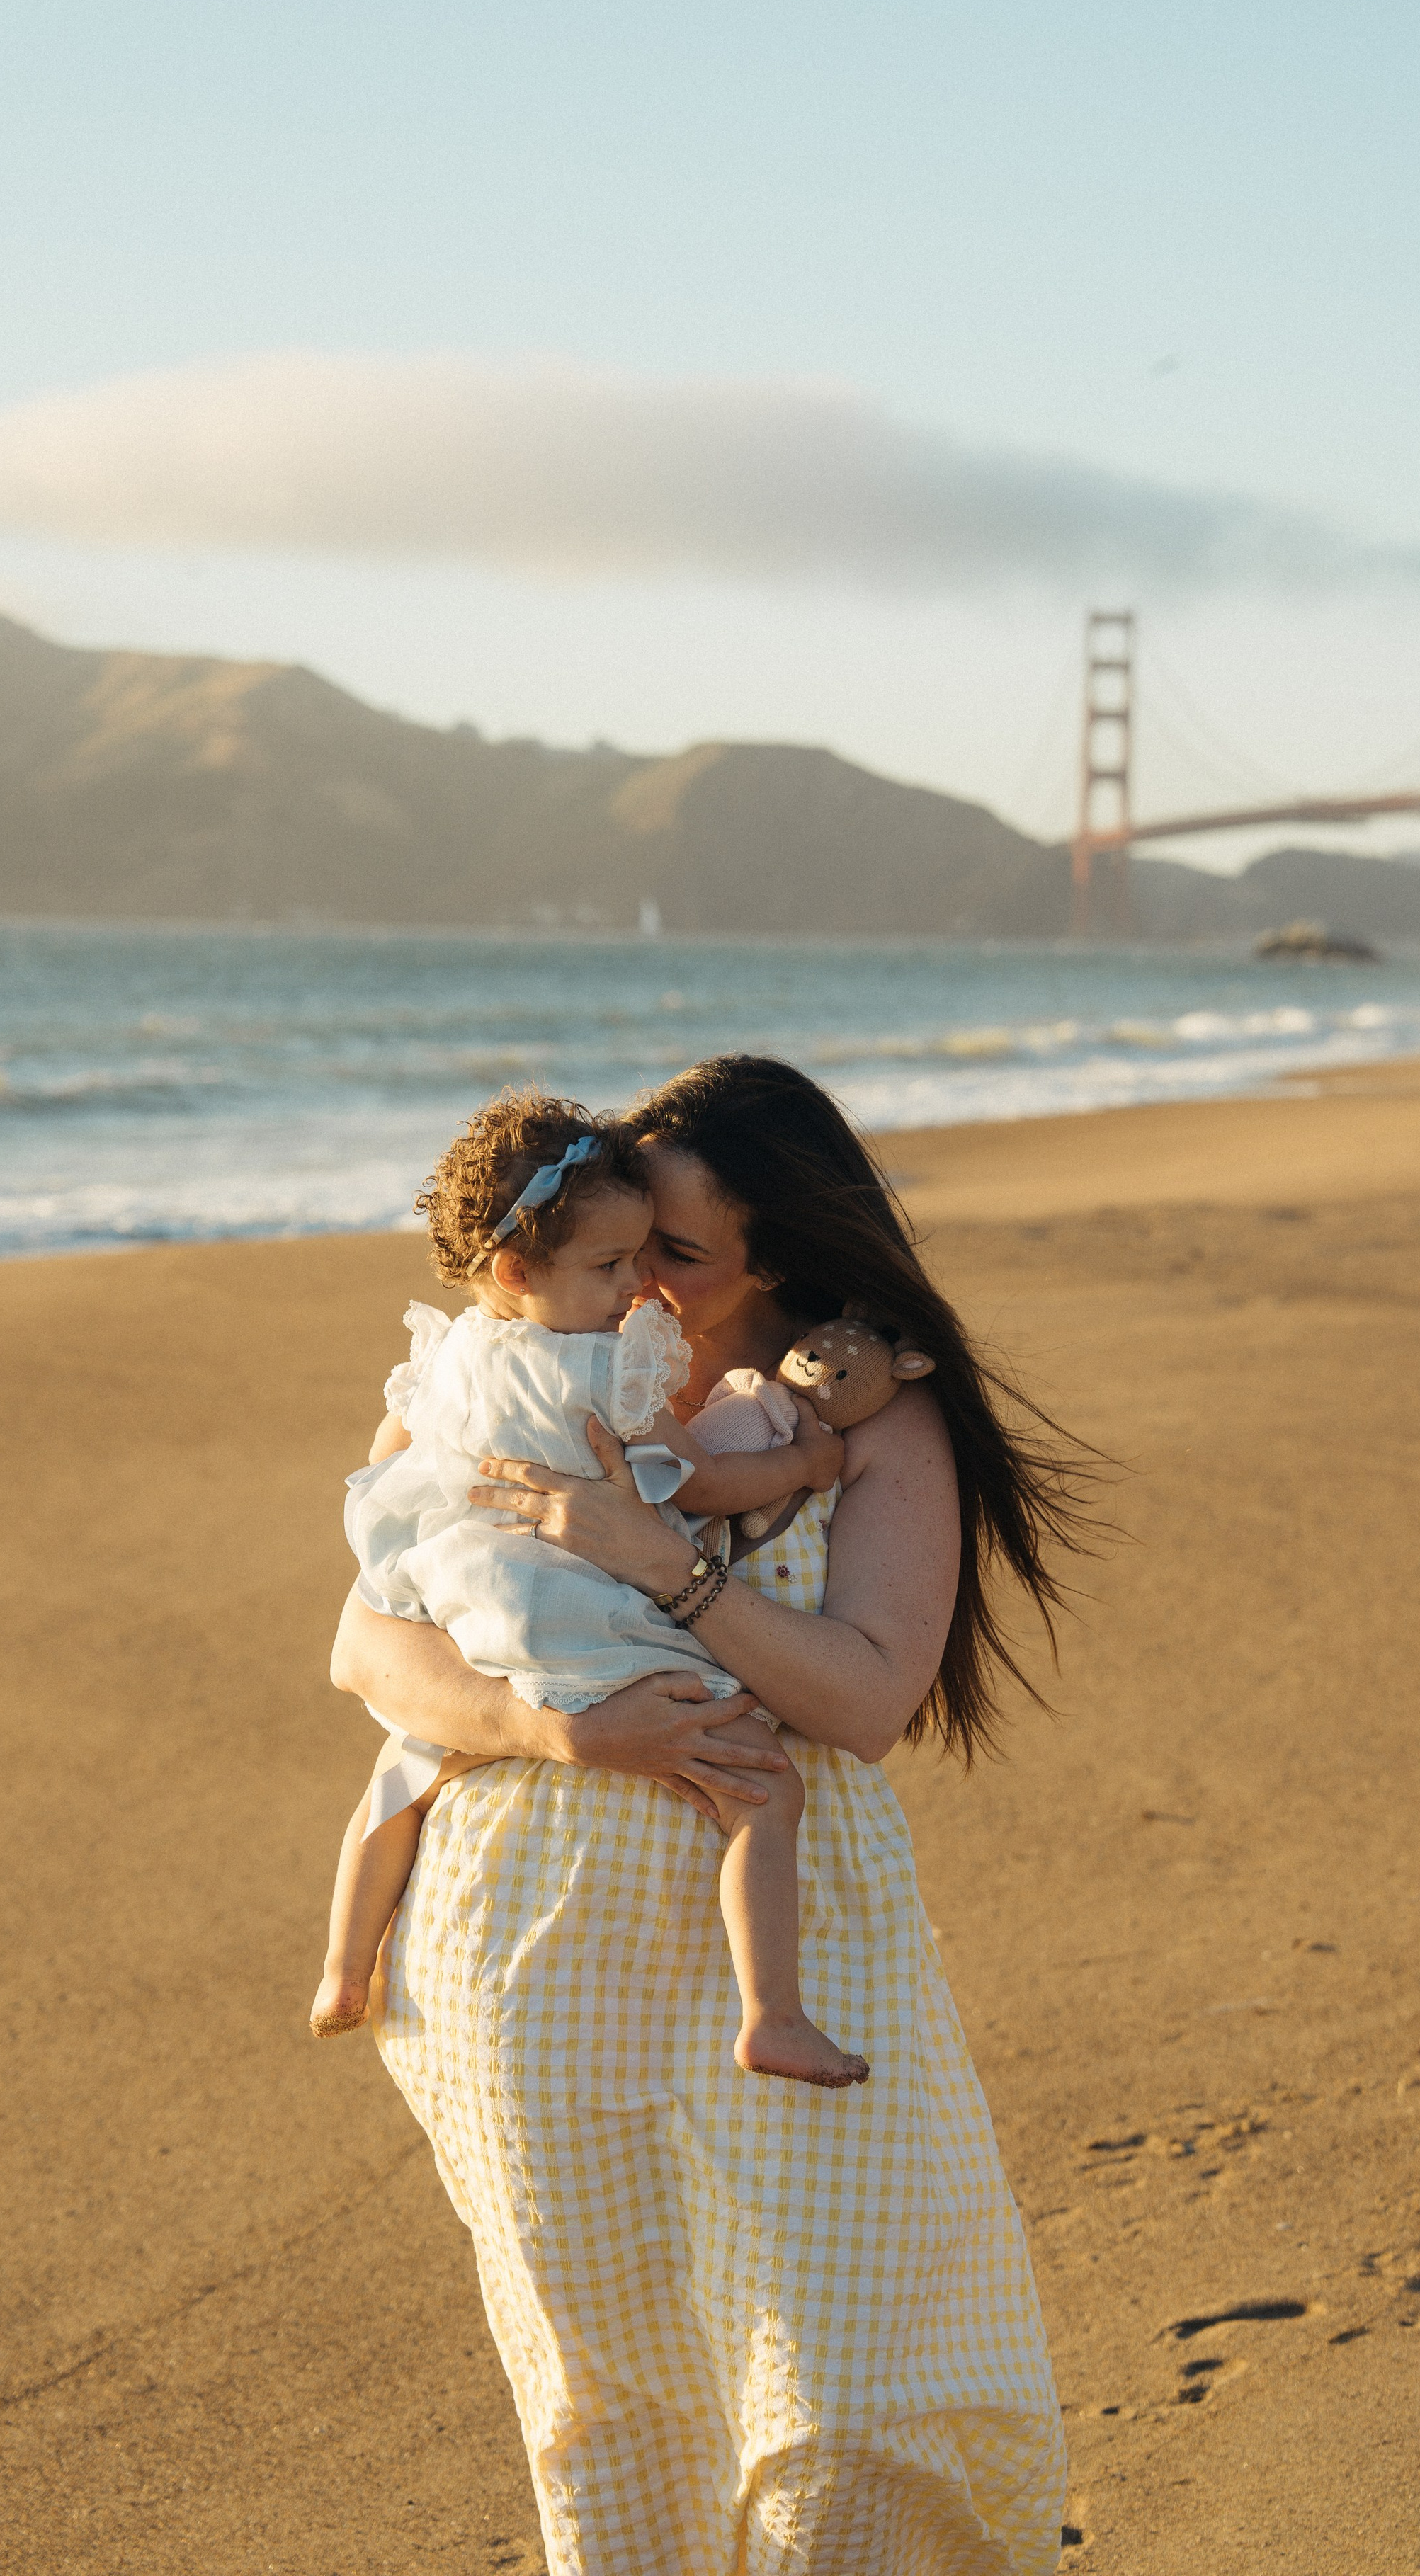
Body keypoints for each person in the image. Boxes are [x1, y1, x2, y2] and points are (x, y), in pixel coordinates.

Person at [329, 1055, 1082, 2575]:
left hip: (787, 1946)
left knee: (857, 2386)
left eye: (677, 1251)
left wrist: (661, 1564)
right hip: (527, 1949)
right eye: (625, 1243)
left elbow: (865, 1696)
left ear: (778, 1257)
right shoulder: (494, 1375)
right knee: (606, 2398)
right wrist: (555, 1726)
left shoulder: (865, 1419)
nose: (643, 1284)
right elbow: (363, 1645)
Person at [312, 1089, 865, 2087]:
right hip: (579, 1610)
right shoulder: (611, 1370)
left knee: (406, 1768)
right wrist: (803, 1465)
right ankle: (772, 2014)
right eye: (612, 1264)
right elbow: (699, 1482)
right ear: (519, 1270)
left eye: (649, 1256)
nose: (634, 1285)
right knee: (763, 1789)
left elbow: (389, 1468)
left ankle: (345, 1969)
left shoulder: (445, 1356)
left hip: (468, 1607)